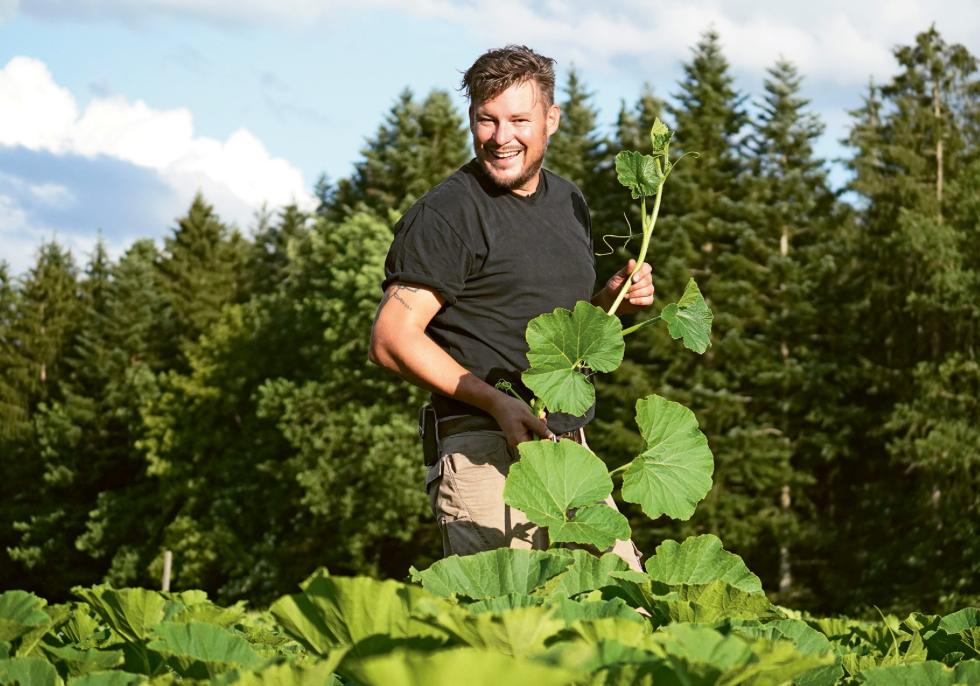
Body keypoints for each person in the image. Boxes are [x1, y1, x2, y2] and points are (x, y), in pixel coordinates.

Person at [368, 45, 653, 570]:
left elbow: (545, 327)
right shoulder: (448, 213)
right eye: (487, 120)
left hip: (570, 452)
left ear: (552, 120)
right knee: (508, 636)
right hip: (482, 453)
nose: (501, 139)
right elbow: (391, 338)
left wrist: (609, 302)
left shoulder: (570, 203)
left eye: (519, 120)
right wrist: (496, 404)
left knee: (621, 619)